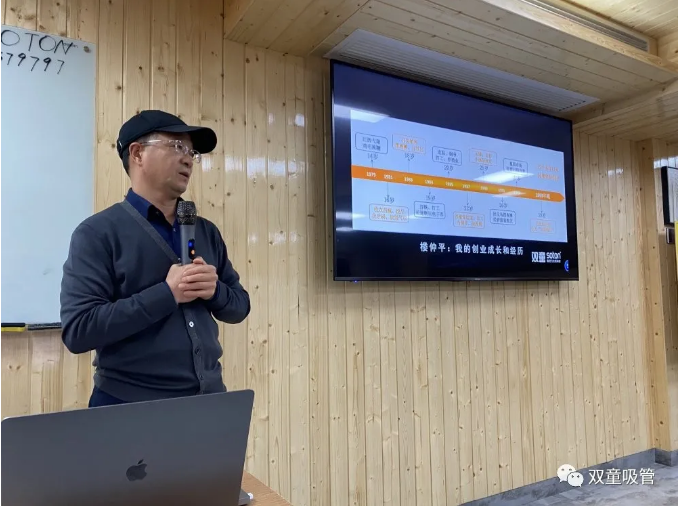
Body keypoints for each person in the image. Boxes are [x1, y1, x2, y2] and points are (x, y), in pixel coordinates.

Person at [60, 110, 250, 408]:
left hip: (209, 402)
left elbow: (239, 307)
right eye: (177, 146)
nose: (188, 159)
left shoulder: (206, 231)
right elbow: (79, 331)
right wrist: (167, 294)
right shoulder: (97, 233)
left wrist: (215, 291)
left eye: (192, 152)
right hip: (129, 407)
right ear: (137, 153)